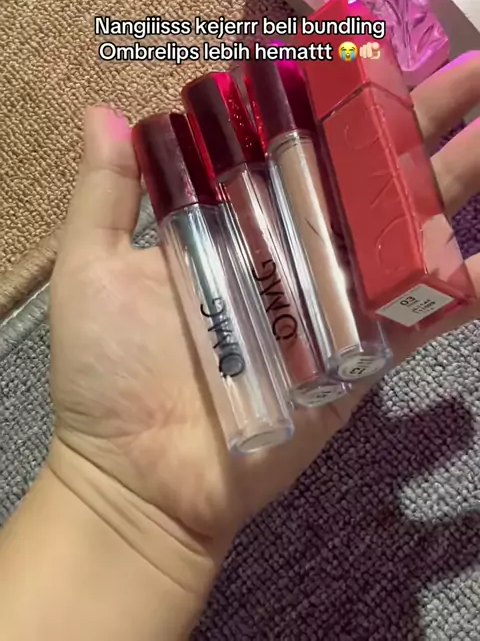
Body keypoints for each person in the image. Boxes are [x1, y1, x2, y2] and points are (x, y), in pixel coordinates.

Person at [1, 53, 480, 641]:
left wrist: (118, 504)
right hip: (236, 261)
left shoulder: (267, 164)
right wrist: (118, 491)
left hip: (277, 218)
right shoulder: (213, 202)